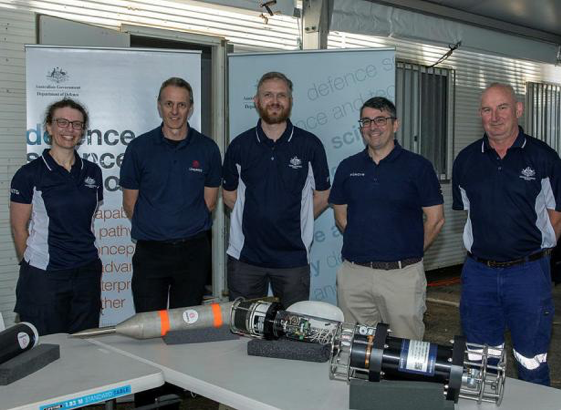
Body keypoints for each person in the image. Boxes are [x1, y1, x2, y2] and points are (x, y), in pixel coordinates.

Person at [452, 83, 561, 386]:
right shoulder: (466, 160)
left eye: (502, 107)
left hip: (528, 274)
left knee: (532, 360)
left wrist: (533, 254)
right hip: (479, 275)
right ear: (480, 115)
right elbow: (470, 213)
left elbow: (557, 214)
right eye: (487, 109)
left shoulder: (544, 157)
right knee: (479, 363)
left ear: (518, 110)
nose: (495, 116)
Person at [329, 96, 445, 340]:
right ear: (361, 127)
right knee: (355, 351)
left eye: (381, 120)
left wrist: (408, 251)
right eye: (367, 121)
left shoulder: (418, 167)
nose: (373, 126)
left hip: (402, 277)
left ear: (395, 124)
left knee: (405, 353)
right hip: (355, 276)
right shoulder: (347, 167)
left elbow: (435, 219)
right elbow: (341, 216)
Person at [222, 72, 330, 308]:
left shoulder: (309, 145)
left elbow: (322, 196)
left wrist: (293, 220)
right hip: (245, 258)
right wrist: (256, 214)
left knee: (292, 329)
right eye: (268, 94)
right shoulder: (240, 145)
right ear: (256, 101)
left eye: (281, 95)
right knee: (244, 328)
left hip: (293, 259)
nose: (275, 100)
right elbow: (229, 196)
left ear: (290, 101)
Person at [120, 77, 221, 314]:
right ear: (159, 105)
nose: (175, 111)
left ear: (190, 108)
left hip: (193, 253)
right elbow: (129, 204)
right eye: (168, 104)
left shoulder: (207, 149)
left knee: (184, 327)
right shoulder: (139, 148)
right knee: (149, 324)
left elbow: (209, 202)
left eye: (181, 105)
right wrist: (158, 227)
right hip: (150, 252)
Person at [10, 98, 103, 335]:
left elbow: (87, 221)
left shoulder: (93, 172)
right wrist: (31, 266)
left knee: (85, 345)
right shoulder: (29, 174)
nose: (69, 130)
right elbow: (19, 229)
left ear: (82, 131)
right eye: (62, 122)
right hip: (45, 276)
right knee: (46, 350)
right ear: (49, 127)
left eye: (76, 124)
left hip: (86, 272)